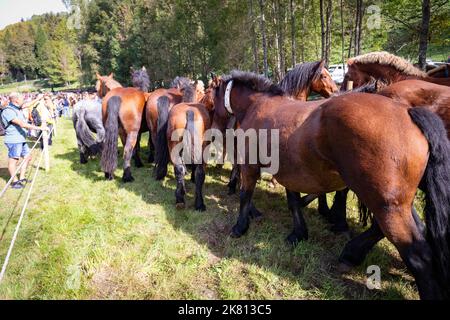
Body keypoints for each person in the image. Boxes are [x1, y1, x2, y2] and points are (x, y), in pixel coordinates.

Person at [1, 92, 49, 189]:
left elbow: (28, 104)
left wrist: (38, 98)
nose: (24, 100)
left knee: (27, 157)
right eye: (22, 98)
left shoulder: (16, 107)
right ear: (16, 100)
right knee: (14, 160)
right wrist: (40, 128)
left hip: (21, 138)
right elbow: (22, 124)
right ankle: (14, 182)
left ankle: (22, 178)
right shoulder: (8, 111)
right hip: (14, 140)